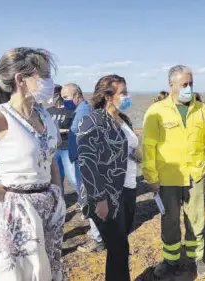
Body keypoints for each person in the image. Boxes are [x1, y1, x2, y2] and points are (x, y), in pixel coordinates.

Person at [0, 47, 66, 280]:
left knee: (49, 273)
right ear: (21, 79)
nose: (50, 82)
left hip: (49, 209)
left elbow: (51, 159)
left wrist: (57, 191)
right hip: (13, 213)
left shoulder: (44, 116)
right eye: (44, 75)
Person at [142, 65, 205, 279]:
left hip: (195, 175)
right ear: (172, 85)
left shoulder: (203, 110)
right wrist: (151, 177)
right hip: (168, 178)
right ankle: (170, 260)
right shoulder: (156, 111)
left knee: (196, 218)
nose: (189, 88)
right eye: (184, 84)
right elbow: (148, 147)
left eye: (191, 83)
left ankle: (197, 258)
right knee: (170, 221)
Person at [77, 74, 138, 281]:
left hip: (128, 188)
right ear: (108, 97)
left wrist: (135, 154)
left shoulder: (124, 119)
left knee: (121, 245)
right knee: (118, 248)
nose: (127, 96)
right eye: (123, 93)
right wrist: (99, 199)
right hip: (106, 195)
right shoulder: (92, 121)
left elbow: (119, 149)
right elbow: (87, 162)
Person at [61, 83, 104, 253]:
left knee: (89, 200)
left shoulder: (84, 112)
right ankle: (98, 233)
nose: (64, 101)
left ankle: (98, 239)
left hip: (85, 163)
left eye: (66, 97)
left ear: (77, 95)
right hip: (83, 161)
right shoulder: (81, 110)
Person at [47, 84, 77, 195]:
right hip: (54, 150)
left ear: (58, 95)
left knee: (74, 178)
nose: (50, 98)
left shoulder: (70, 110)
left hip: (67, 148)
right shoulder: (48, 111)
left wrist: (62, 131)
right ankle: (61, 203)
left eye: (52, 95)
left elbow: (76, 128)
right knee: (56, 181)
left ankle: (85, 201)